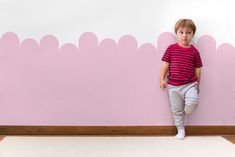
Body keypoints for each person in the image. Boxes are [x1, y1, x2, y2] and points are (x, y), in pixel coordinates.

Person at [160, 19, 203, 140]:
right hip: (173, 86)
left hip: (190, 84)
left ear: (192, 34)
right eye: (181, 32)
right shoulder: (171, 49)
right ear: (177, 33)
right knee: (176, 109)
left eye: (188, 32)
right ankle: (180, 129)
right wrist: (161, 78)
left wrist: (198, 83)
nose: (184, 35)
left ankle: (184, 114)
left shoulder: (194, 51)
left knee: (193, 102)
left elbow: (198, 68)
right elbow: (165, 64)